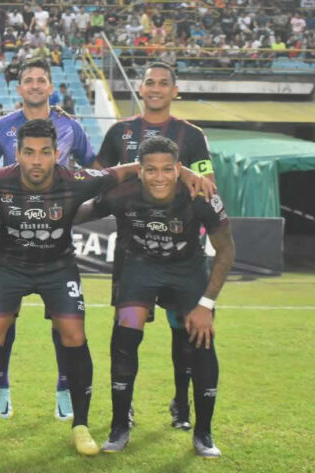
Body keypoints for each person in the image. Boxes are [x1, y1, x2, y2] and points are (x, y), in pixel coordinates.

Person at [0, 119, 213, 455]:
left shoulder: (76, 181)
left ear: (57, 154)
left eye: (44, 152)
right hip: (8, 267)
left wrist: (184, 172)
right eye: (29, 152)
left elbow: (123, 171)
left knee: (74, 335)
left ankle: (80, 426)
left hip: (58, 268)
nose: (36, 160)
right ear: (17, 154)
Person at [0, 58, 99, 422]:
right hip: (12, 235)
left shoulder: (71, 126)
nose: (34, 85)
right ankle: (1, 385)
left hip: (56, 238)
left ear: (51, 86)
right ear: (19, 88)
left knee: (64, 322)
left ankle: (65, 388)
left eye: (40, 80)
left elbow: (94, 168)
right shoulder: (3, 127)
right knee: (3, 321)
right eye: (28, 80)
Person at [85, 62, 215, 431]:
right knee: (127, 330)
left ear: (175, 91)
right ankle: (123, 411)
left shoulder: (192, 135)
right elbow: (97, 178)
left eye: (163, 83)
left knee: (183, 331)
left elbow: (207, 185)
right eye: (149, 82)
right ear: (140, 89)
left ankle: (181, 404)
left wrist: (186, 173)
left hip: (182, 250)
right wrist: (133, 171)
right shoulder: (120, 132)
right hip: (133, 252)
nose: (155, 88)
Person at [89, 136, 234, 458]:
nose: (159, 177)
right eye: (151, 169)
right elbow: (81, 212)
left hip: (187, 272)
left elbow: (226, 251)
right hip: (139, 269)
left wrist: (205, 304)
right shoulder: (123, 194)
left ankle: (204, 433)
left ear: (178, 169)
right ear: (139, 171)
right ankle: (119, 426)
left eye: (167, 169)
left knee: (202, 340)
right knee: (125, 337)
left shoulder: (200, 196)